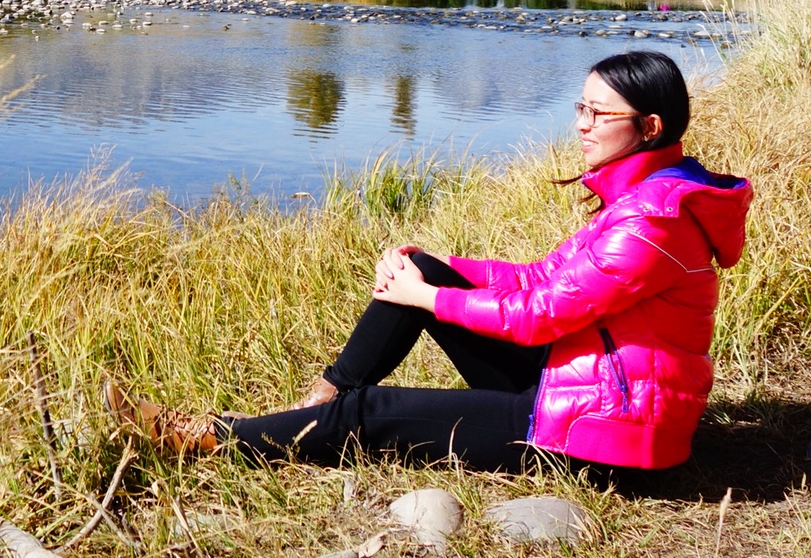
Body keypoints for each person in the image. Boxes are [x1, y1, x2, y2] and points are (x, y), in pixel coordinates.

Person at [106, 52, 752, 473]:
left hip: (606, 437)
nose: (581, 125)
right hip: (588, 384)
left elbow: (540, 315)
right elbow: (539, 281)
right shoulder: (647, 195)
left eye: (598, 114)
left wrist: (424, 299)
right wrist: (441, 269)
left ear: (649, 127)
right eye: (578, 107)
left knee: (374, 415)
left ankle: (209, 436)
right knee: (430, 276)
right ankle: (319, 399)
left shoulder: (651, 220)